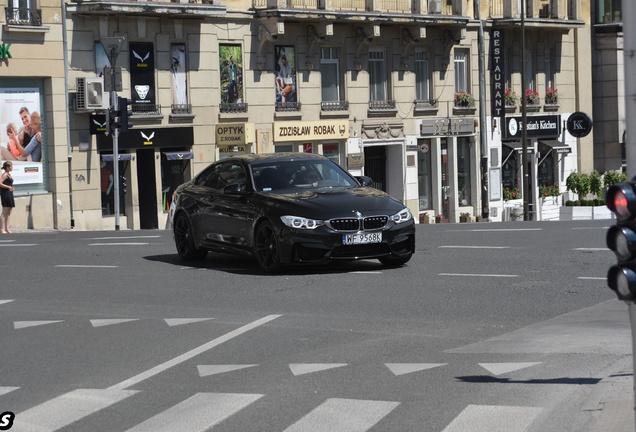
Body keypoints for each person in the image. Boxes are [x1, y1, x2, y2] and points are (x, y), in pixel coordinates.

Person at [0, 161, 15, 234]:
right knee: (5, 211)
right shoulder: (5, 174)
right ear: (7, 167)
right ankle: (2, 228)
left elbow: (9, 183)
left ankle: (7, 228)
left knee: (9, 211)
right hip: (5, 193)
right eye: (11, 166)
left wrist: (12, 187)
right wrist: (8, 187)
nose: (12, 167)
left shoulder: (9, 175)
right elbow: (0, 183)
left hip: (9, 193)